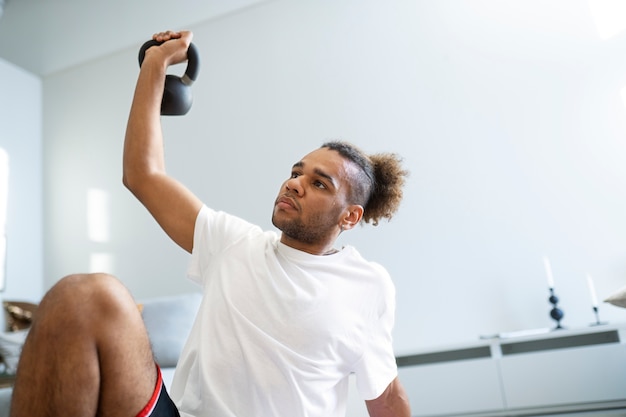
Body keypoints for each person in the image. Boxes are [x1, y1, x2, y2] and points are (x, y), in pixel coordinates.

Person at [10, 30, 411, 417]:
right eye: (296, 172)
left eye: (319, 183)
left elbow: (387, 397)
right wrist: (154, 65)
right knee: (86, 294)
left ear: (350, 216)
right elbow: (142, 174)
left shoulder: (366, 285)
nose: (294, 184)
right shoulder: (234, 242)